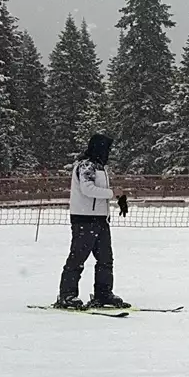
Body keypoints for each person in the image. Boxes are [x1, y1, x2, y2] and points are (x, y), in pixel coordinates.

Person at [55, 133, 130, 310]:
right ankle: (67, 295)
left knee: (105, 259)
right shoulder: (86, 165)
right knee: (78, 258)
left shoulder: (100, 167)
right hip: (84, 219)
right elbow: (87, 189)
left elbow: (99, 191)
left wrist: (117, 199)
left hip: (100, 219)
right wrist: (114, 193)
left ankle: (103, 294)